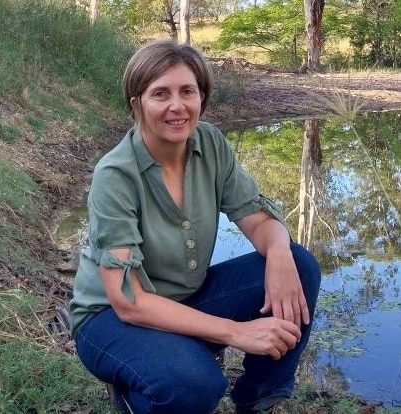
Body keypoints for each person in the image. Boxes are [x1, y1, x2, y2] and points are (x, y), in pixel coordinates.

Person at [69, 39, 321, 414]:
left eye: (187, 91)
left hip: (186, 299)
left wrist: (280, 251)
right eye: (160, 94)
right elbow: (129, 301)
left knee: (300, 266)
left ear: (202, 96)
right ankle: (131, 396)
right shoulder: (115, 174)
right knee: (197, 383)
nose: (177, 106)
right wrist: (237, 332)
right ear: (136, 102)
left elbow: (256, 219)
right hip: (112, 320)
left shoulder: (210, 143)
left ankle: (256, 400)